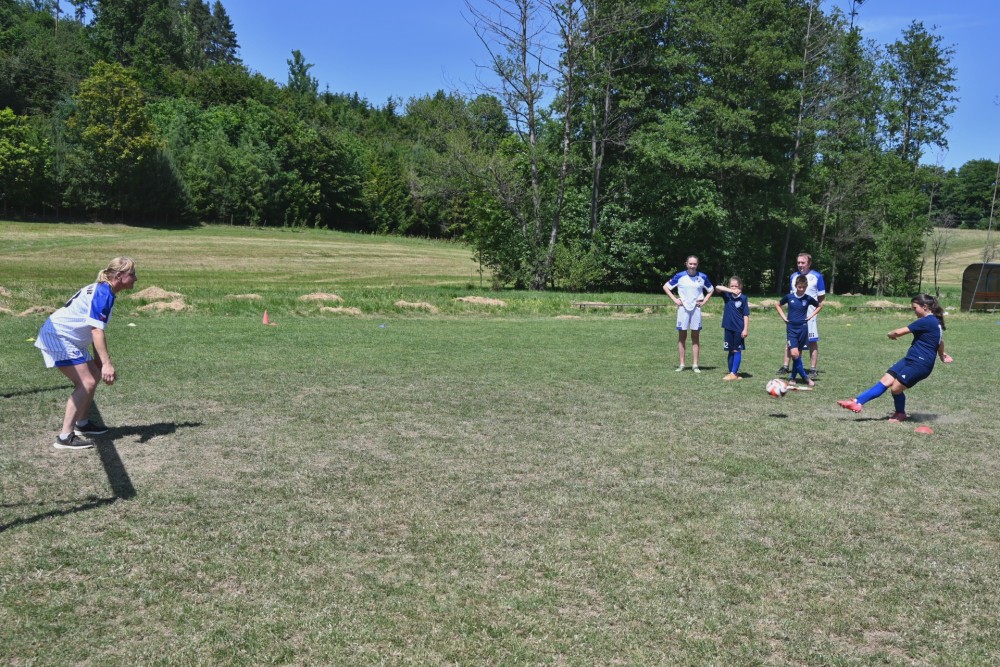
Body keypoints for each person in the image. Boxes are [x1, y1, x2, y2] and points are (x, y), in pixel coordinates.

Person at [34, 257, 137, 450]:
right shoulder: (103, 293)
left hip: (67, 338)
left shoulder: (105, 290)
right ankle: (65, 437)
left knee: (94, 375)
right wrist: (107, 364)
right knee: (87, 382)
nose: (136, 278)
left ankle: (82, 424)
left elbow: (96, 329)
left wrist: (101, 363)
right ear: (119, 275)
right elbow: (96, 331)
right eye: (132, 274)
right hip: (58, 337)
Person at [838, 294, 953, 421]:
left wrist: (890, 334)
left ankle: (900, 413)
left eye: (915, 308)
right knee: (885, 380)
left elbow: (898, 332)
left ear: (925, 307)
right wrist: (941, 355)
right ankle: (857, 402)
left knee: (896, 388)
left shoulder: (926, 321)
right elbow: (940, 341)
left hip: (920, 364)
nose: (914, 311)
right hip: (910, 359)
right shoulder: (934, 321)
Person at [663, 255, 714, 372]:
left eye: (694, 264)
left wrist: (704, 301)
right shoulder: (680, 276)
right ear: (686, 264)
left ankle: (695, 365)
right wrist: (675, 299)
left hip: (696, 309)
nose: (692, 266)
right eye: (690, 263)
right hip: (683, 309)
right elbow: (666, 287)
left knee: (695, 337)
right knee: (682, 337)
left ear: (697, 265)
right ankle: (682, 364)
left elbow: (711, 289)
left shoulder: (702, 277)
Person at [779, 253, 825, 377]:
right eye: (798, 262)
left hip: (809, 316)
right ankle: (785, 366)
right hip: (795, 316)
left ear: (809, 263)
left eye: (803, 262)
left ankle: (813, 368)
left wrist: (812, 311)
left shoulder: (817, 276)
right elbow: (791, 296)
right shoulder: (793, 276)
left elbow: (821, 297)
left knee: (812, 341)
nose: (800, 265)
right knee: (791, 340)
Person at [774, 275, 822, 387]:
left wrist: (810, 317)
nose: (801, 289)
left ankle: (792, 378)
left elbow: (819, 306)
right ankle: (806, 377)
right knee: (794, 353)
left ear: (806, 287)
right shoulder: (789, 297)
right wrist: (784, 318)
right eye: (800, 287)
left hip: (803, 328)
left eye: (804, 287)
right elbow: (777, 305)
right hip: (791, 329)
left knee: (798, 355)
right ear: (796, 286)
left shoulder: (808, 298)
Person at [714, 276, 750, 381]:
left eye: (736, 286)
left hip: (739, 328)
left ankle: (733, 373)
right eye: (732, 286)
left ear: (740, 286)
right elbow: (717, 287)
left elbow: (746, 315)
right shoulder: (727, 295)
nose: (734, 288)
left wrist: (745, 329)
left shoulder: (743, 298)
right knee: (730, 350)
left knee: (737, 349)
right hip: (728, 327)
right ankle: (732, 373)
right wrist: (731, 291)